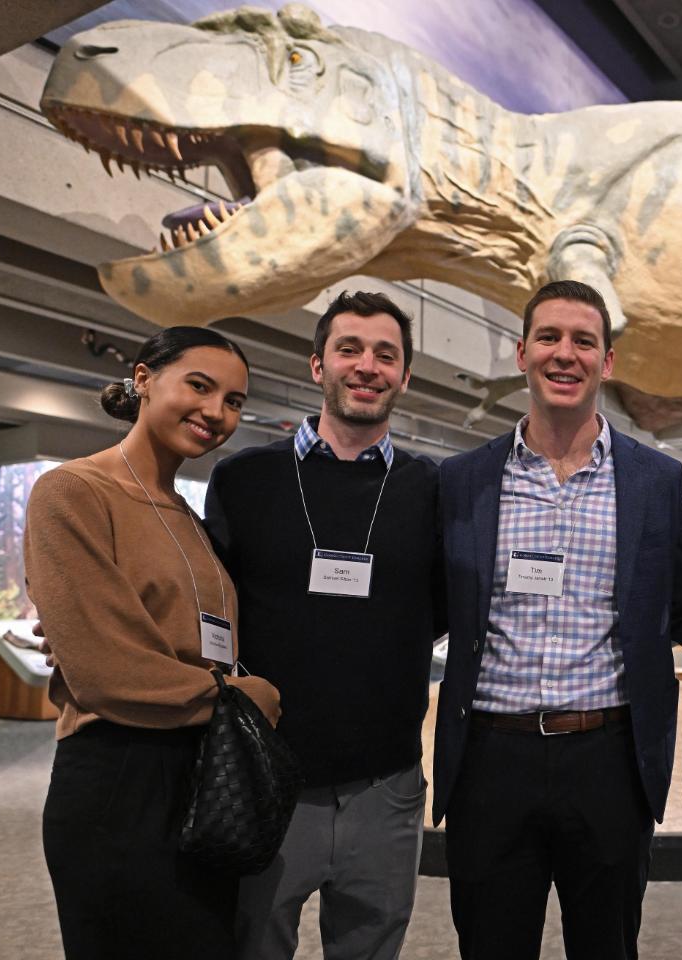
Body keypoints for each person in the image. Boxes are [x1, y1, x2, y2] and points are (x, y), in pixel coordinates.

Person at [434, 279, 682, 960]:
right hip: (492, 756)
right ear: (522, 352)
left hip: (607, 756)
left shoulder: (656, 483)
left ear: (607, 361)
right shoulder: (462, 481)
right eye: (549, 337)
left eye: (584, 341)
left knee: (608, 946)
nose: (565, 353)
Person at [203, 292, 445, 960]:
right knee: (252, 947)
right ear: (317, 365)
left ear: (403, 375)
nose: (367, 365)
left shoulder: (433, 490)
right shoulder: (245, 480)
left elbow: (438, 608)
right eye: (349, 349)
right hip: (266, 777)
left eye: (386, 354)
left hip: (386, 787)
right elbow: (202, 604)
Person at [26, 328, 280, 959]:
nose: (215, 412)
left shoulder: (187, 516)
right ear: (143, 379)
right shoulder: (74, 491)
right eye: (199, 385)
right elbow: (106, 673)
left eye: (234, 401)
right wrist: (244, 698)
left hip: (206, 776)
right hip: (120, 775)